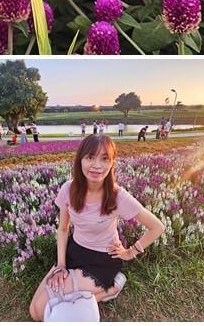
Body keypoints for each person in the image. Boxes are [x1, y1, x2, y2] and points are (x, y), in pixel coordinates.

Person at [28, 135, 166, 321]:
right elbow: (63, 229)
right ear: (80, 160)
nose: (97, 166)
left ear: (112, 163)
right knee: (35, 312)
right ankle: (105, 292)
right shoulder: (68, 189)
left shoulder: (117, 196)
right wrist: (61, 265)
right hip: (74, 253)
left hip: (101, 261)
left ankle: (111, 288)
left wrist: (130, 252)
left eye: (104, 159)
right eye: (90, 157)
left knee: (44, 310)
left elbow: (157, 227)